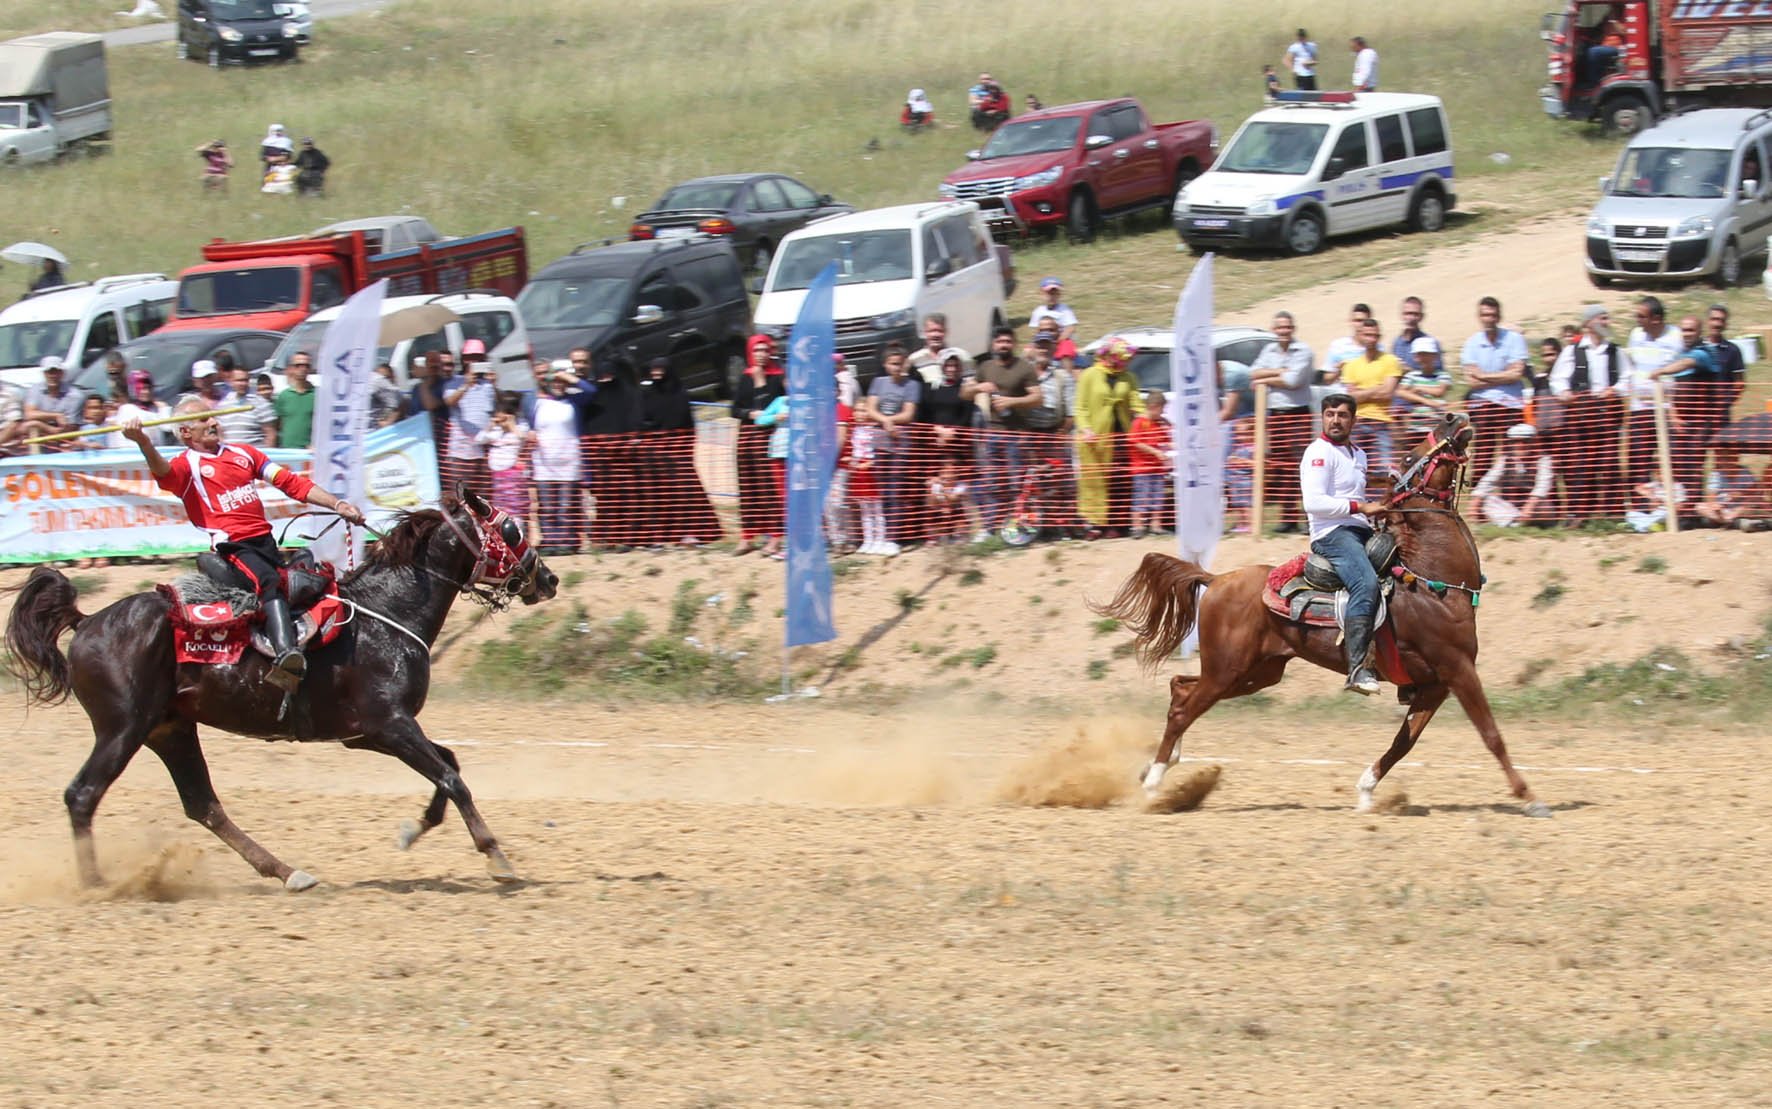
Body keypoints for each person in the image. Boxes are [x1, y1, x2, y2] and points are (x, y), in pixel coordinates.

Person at [119, 400, 365, 687]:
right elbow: (164, 473)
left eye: (214, 417)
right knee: (269, 581)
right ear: (186, 432)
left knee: (309, 565)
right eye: (204, 419)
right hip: (233, 546)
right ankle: (287, 658)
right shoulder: (186, 465)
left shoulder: (244, 453)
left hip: (265, 541)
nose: (214, 423)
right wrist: (143, 442)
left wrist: (337, 504)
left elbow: (290, 483)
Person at [1301, 393, 1387, 695]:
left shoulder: (1358, 453)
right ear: (1322, 417)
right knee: (1366, 584)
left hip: (1359, 530)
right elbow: (1314, 502)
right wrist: (1362, 508)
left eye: (1342, 415)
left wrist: (1387, 483)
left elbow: (1354, 485)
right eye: (1330, 414)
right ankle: (1358, 668)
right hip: (1332, 534)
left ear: (1354, 420)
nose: (1335, 419)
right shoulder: (1318, 453)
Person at [1548, 304, 1631, 523]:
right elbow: (1557, 379)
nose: (1606, 323)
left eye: (1607, 319)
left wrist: (1615, 390)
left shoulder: (1615, 350)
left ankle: (1613, 514)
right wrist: (1563, 393)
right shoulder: (1572, 351)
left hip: (1608, 415)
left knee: (1609, 462)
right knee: (1580, 464)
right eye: (1602, 318)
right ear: (1589, 323)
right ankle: (1579, 514)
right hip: (1581, 415)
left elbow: (1627, 378)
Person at [635, 357, 722, 546]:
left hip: (678, 451)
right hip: (655, 451)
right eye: (654, 370)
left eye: (661, 370)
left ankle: (692, 531)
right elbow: (642, 420)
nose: (657, 374)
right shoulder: (647, 393)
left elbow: (686, 422)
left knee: (686, 492)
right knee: (660, 493)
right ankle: (665, 534)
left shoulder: (680, 393)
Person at [1248, 310, 1316, 533]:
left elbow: (1294, 380)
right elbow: (1252, 373)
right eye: (1279, 328)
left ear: (1293, 329)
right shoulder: (1268, 349)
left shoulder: (1304, 350)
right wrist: (1279, 372)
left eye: (1287, 327)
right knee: (1281, 467)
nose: (1283, 331)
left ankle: (1309, 519)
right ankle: (1288, 519)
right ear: (1274, 330)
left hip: (1297, 414)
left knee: (1301, 467)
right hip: (1275, 416)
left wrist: (1266, 378)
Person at [973, 326, 1042, 531]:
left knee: (1017, 483)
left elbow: (1037, 398)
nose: (1004, 345)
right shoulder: (985, 367)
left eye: (1008, 341)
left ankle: (1019, 525)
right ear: (993, 344)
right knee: (992, 482)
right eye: (1000, 341)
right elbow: (964, 393)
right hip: (992, 434)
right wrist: (977, 387)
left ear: (1014, 344)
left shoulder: (1024, 367)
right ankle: (991, 527)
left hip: (1017, 435)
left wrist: (1011, 402)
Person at [1459, 296, 1530, 479]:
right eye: (1485, 315)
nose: (1488, 319)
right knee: (1483, 453)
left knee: (1513, 452)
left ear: (1498, 317)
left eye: (1492, 315)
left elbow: (1517, 373)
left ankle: (1512, 491)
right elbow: (1471, 381)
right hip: (1483, 405)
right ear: (1479, 316)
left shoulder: (1514, 339)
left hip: (1511, 404)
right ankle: (1479, 495)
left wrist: (1484, 376)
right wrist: (1503, 376)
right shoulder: (1472, 343)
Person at [1074, 336, 1138, 536]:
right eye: (1123, 357)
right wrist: (1085, 429)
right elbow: (1080, 407)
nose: (1127, 362)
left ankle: (1117, 525)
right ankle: (1095, 524)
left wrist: (1151, 419)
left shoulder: (1129, 377)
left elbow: (1137, 404)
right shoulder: (1089, 375)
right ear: (1111, 355)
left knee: (1119, 482)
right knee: (1094, 482)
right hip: (1095, 439)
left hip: (1121, 437)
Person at [863, 342, 923, 544]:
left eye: (900, 363)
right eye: (893, 363)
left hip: (900, 441)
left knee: (896, 487)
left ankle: (894, 536)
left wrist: (890, 421)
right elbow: (870, 408)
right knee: (883, 488)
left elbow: (908, 413)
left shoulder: (912, 385)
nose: (897, 367)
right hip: (880, 440)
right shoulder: (878, 382)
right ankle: (884, 532)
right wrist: (884, 420)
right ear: (886, 365)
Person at [1624, 296, 1687, 487]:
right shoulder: (1636, 334)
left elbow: (1683, 369)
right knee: (1638, 457)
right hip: (1640, 408)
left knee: (1671, 457)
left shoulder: (1676, 336)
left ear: (1656, 319)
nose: (1637, 320)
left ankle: (1674, 505)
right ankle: (1640, 507)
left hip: (1666, 407)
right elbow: (1630, 364)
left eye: (1641, 316)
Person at [731, 335, 786, 555]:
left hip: (768, 438)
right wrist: (749, 413)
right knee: (748, 486)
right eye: (757, 350)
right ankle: (747, 536)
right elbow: (734, 409)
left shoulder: (777, 378)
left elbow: (772, 406)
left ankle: (774, 536)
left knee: (768, 487)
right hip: (746, 438)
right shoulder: (745, 377)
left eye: (765, 350)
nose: (761, 355)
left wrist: (761, 382)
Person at [531, 365, 594, 553]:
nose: (558, 385)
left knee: (566, 507)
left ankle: (567, 542)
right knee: (547, 507)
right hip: (544, 463)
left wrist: (568, 377)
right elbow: (528, 425)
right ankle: (550, 541)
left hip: (569, 462)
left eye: (561, 383)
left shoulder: (574, 401)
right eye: (555, 382)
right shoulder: (536, 403)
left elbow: (591, 390)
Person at [1338, 318, 1404, 478]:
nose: (1370, 339)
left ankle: (1380, 502)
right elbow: (1351, 397)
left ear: (1379, 336)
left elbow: (1388, 392)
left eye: (1374, 335)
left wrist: (1363, 392)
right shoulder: (1352, 365)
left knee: (1383, 471)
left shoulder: (1390, 361)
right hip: (1358, 422)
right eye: (1367, 335)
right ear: (1360, 336)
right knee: (1354, 469)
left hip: (1381, 423)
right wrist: (1377, 389)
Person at [1473, 424, 1555, 527]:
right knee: (1484, 500)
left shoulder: (1543, 460)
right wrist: (1476, 501)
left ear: (1533, 442)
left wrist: (1529, 507)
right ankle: (1514, 523)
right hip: (1511, 506)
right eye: (1515, 441)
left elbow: (1542, 486)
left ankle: (1512, 523)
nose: (1520, 445)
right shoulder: (1505, 460)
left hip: (1535, 507)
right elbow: (1489, 480)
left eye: (1525, 441)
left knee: (1544, 507)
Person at [477, 392, 530, 520]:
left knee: (514, 506)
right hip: (497, 476)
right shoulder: (496, 431)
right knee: (500, 506)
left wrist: (511, 425)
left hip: (512, 474)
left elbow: (522, 438)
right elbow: (479, 439)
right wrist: (490, 426)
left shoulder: (521, 426)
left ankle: (518, 530)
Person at [1126, 390, 1172, 539]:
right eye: (1162, 409)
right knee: (1142, 496)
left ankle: (1155, 525)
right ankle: (1137, 526)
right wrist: (1154, 451)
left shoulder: (1159, 424)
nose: (1163, 412)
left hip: (1157, 468)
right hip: (1142, 468)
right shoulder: (1139, 422)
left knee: (1158, 497)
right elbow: (1135, 441)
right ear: (1153, 406)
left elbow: (1166, 441)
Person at [1393, 335, 1450, 452]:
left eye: (1426, 354)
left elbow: (1439, 391)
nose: (1423, 358)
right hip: (1416, 427)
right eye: (1420, 354)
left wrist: (1417, 388)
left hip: (1436, 426)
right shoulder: (1411, 376)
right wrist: (1427, 401)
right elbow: (1400, 392)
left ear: (1434, 356)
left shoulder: (1442, 375)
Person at [1693, 446, 1767, 530]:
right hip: (1722, 511)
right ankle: (1727, 521)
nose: (1726, 463)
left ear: (1735, 460)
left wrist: (1740, 494)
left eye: (1728, 459)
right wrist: (1715, 505)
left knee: (1749, 504)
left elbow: (1756, 489)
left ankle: (1726, 520)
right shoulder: (1716, 474)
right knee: (1699, 507)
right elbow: (1710, 495)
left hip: (1740, 508)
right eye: (1723, 460)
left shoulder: (1744, 472)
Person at [24, 356, 85, 441]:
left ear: (62, 373)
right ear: (44, 374)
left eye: (55, 372)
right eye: (49, 372)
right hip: (40, 437)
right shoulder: (35, 390)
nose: (52, 375)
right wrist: (55, 417)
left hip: (66, 440)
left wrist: (40, 424)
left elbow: (71, 427)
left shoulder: (75, 395)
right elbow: (29, 415)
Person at [109, 369, 173, 448]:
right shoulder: (127, 409)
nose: (146, 392)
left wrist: (164, 408)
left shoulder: (154, 409)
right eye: (142, 389)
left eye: (149, 388)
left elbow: (168, 428)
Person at [217, 365, 278, 447]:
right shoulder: (222, 405)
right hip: (231, 455)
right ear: (231, 382)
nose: (243, 384)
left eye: (245, 380)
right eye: (239, 380)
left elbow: (270, 434)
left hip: (255, 454)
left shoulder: (261, 403)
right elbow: (220, 434)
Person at [273, 353, 317, 450]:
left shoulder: (318, 395)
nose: (303, 369)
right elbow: (276, 426)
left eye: (306, 365)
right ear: (291, 368)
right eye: (298, 365)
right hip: (288, 452)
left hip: (309, 452)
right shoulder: (284, 396)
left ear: (310, 369)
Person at [1321, 303, 1372, 383]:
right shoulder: (1338, 346)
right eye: (1358, 321)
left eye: (1365, 321)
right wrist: (1340, 371)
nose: (1361, 325)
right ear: (1350, 322)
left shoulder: (1378, 347)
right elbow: (1327, 379)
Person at [1224, 419, 1256, 533]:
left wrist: (1243, 461)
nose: (1240, 437)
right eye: (1238, 434)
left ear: (1252, 433)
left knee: (1247, 504)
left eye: (1244, 434)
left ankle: (1251, 524)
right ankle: (1241, 524)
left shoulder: (1254, 448)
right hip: (1235, 480)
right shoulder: (1236, 447)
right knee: (1238, 504)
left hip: (1247, 479)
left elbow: (1257, 464)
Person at [1028, 277, 1078, 342]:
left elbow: (1070, 328)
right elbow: (1034, 331)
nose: (1052, 297)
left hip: (1061, 341)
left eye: (1055, 294)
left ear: (1059, 295)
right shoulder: (1038, 311)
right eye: (1049, 294)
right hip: (1043, 342)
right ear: (1042, 294)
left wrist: (1057, 342)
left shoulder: (1065, 309)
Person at [907, 313, 950, 385]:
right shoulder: (913, 360)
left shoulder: (958, 356)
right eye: (931, 331)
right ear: (924, 333)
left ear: (946, 332)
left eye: (939, 331)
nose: (935, 335)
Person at [369, 361, 405, 427]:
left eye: (386, 378)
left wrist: (385, 420)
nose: (385, 382)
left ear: (393, 377)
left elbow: (396, 401)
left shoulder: (396, 394)